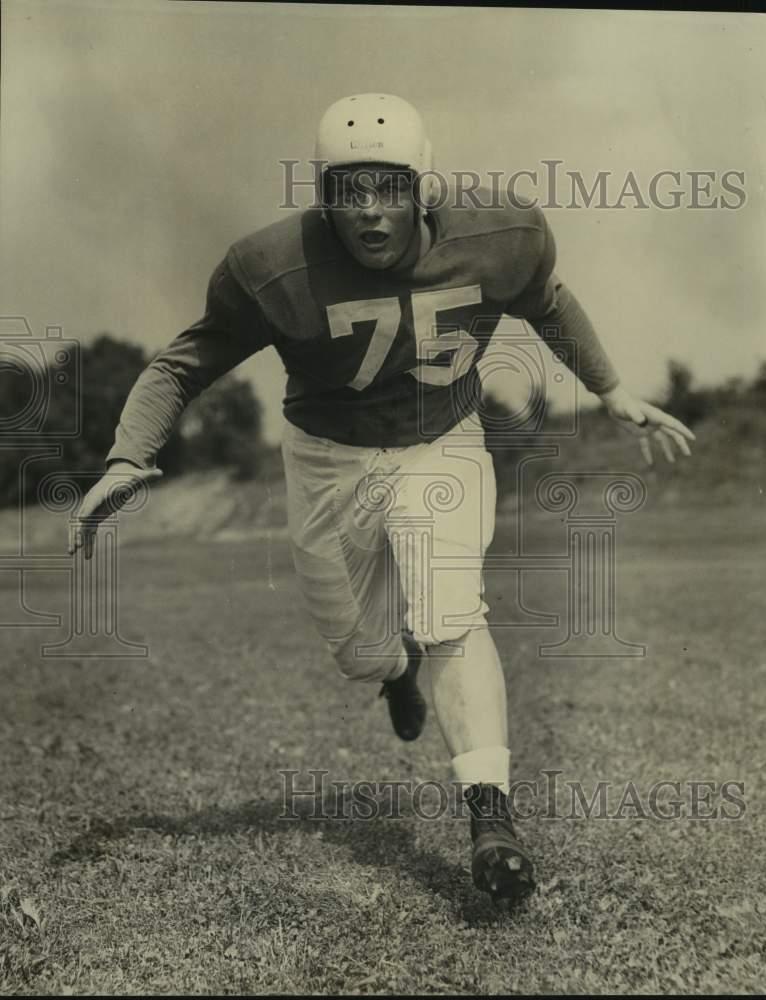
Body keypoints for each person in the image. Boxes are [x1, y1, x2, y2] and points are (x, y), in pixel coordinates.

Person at [69, 93, 695, 902]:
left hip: (440, 442)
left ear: (422, 186)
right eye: (347, 189)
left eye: (388, 188)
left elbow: (545, 301)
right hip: (328, 460)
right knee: (358, 649)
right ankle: (392, 672)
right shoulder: (272, 267)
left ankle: (490, 817)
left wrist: (609, 390)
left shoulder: (500, 235)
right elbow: (181, 364)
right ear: (322, 194)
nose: (368, 211)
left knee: (451, 615)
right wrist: (126, 458)